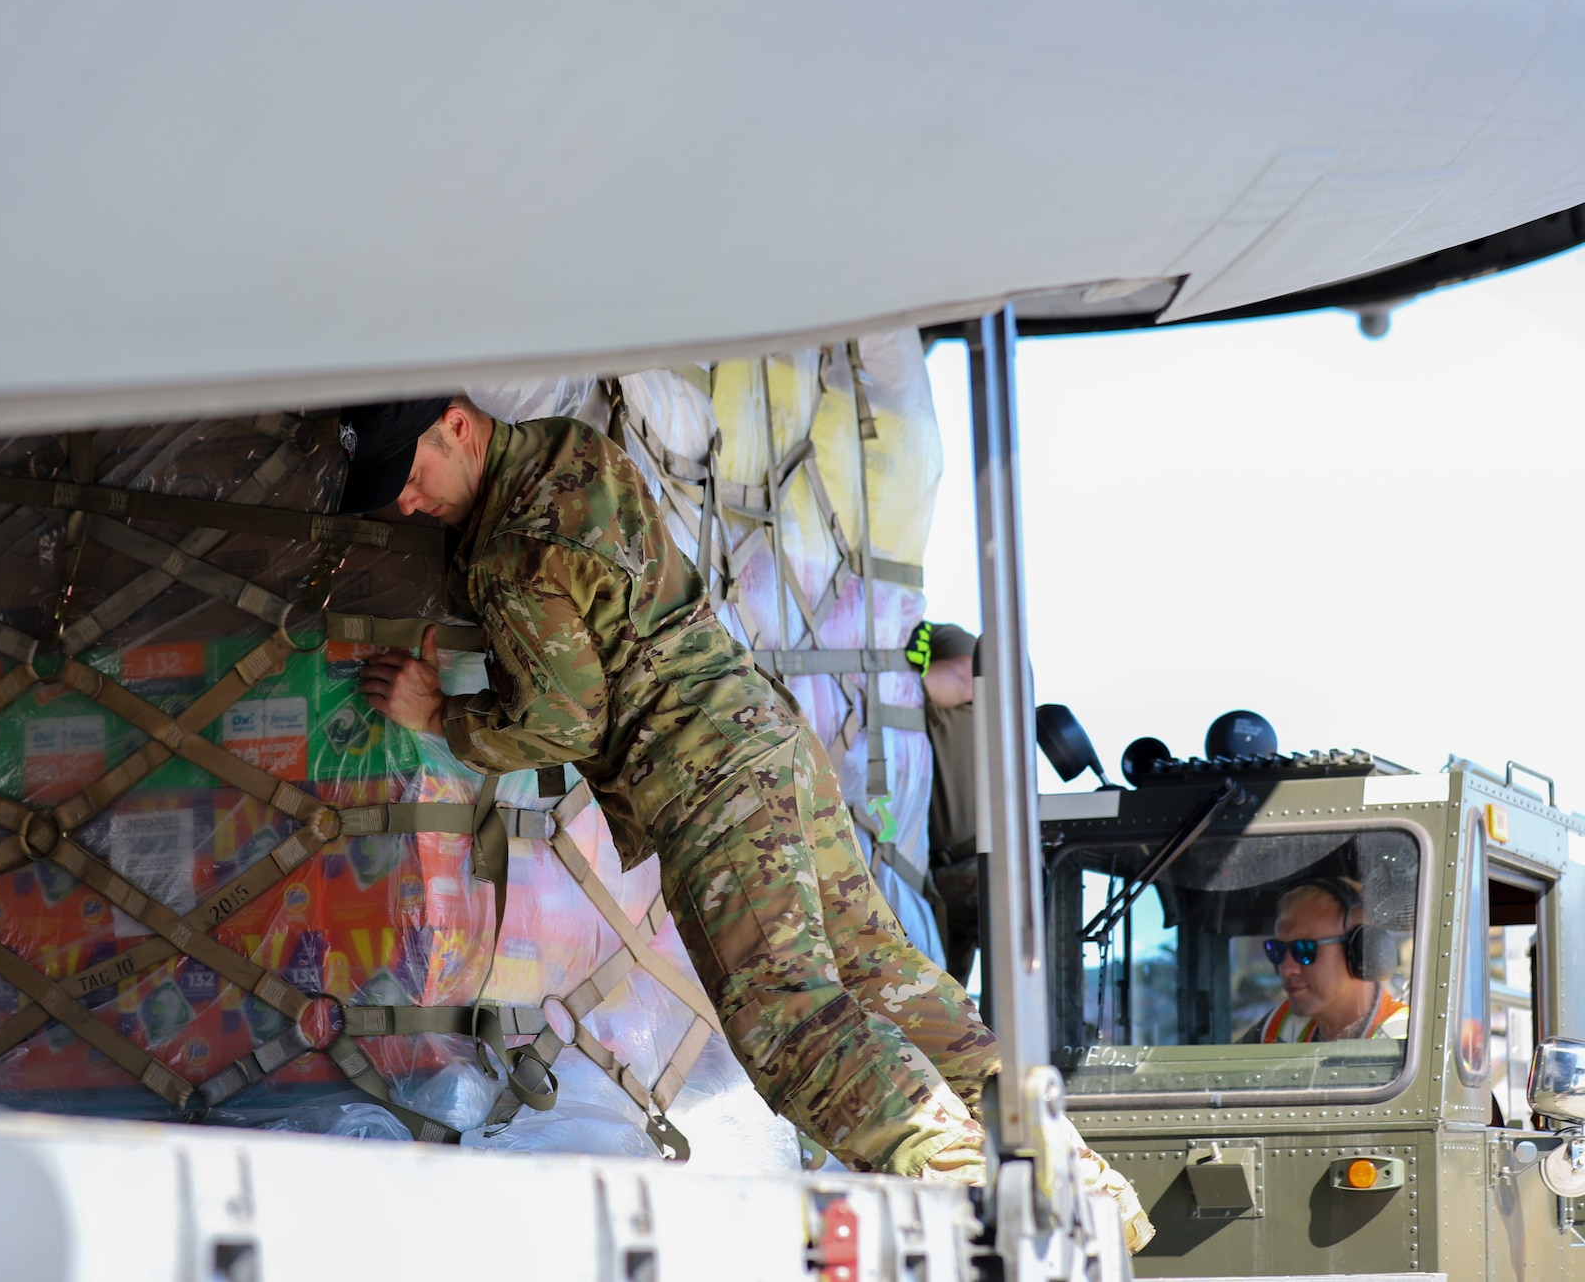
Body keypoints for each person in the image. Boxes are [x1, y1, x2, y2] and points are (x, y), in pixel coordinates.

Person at [346, 395, 1153, 1251]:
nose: (406, 503)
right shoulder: (576, 451)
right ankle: (1083, 1187)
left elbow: (565, 721)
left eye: (409, 477)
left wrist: (438, 715)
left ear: (460, 426)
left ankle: (966, 1193)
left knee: (788, 1021)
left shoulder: (510, 552)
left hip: (705, 776)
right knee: (884, 978)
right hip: (771, 742)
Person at [1241, 877, 1408, 1043]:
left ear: (1359, 951)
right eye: (1277, 950)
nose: (1286, 969)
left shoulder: (1405, 1043)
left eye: (1305, 949)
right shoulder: (1281, 1025)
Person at [905, 620, 981, 985]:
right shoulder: (923, 638)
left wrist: (902, 677)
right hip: (936, 877)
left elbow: (963, 677)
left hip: (977, 868)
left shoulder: (951, 644)